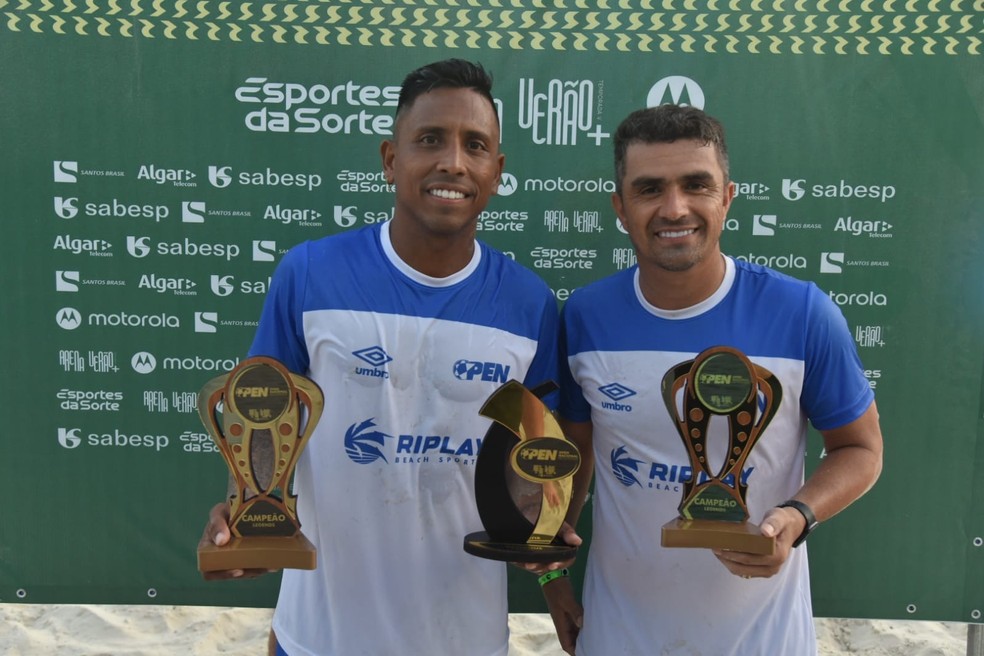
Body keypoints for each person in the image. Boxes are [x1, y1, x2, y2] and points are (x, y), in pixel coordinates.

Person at [199, 59, 565, 656]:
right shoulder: (310, 273)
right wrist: (246, 509)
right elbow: (260, 425)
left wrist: (546, 553)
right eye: (429, 140)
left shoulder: (531, 305)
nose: (453, 162)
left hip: (465, 638)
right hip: (318, 637)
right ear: (390, 159)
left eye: (475, 146)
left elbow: (544, 459)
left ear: (496, 173)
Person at [543, 104, 884, 655]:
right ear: (621, 209)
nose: (674, 208)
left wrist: (796, 518)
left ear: (727, 197)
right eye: (649, 189)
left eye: (696, 185)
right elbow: (573, 457)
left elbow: (861, 449)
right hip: (618, 636)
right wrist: (551, 574)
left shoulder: (802, 312)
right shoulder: (584, 316)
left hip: (764, 641)